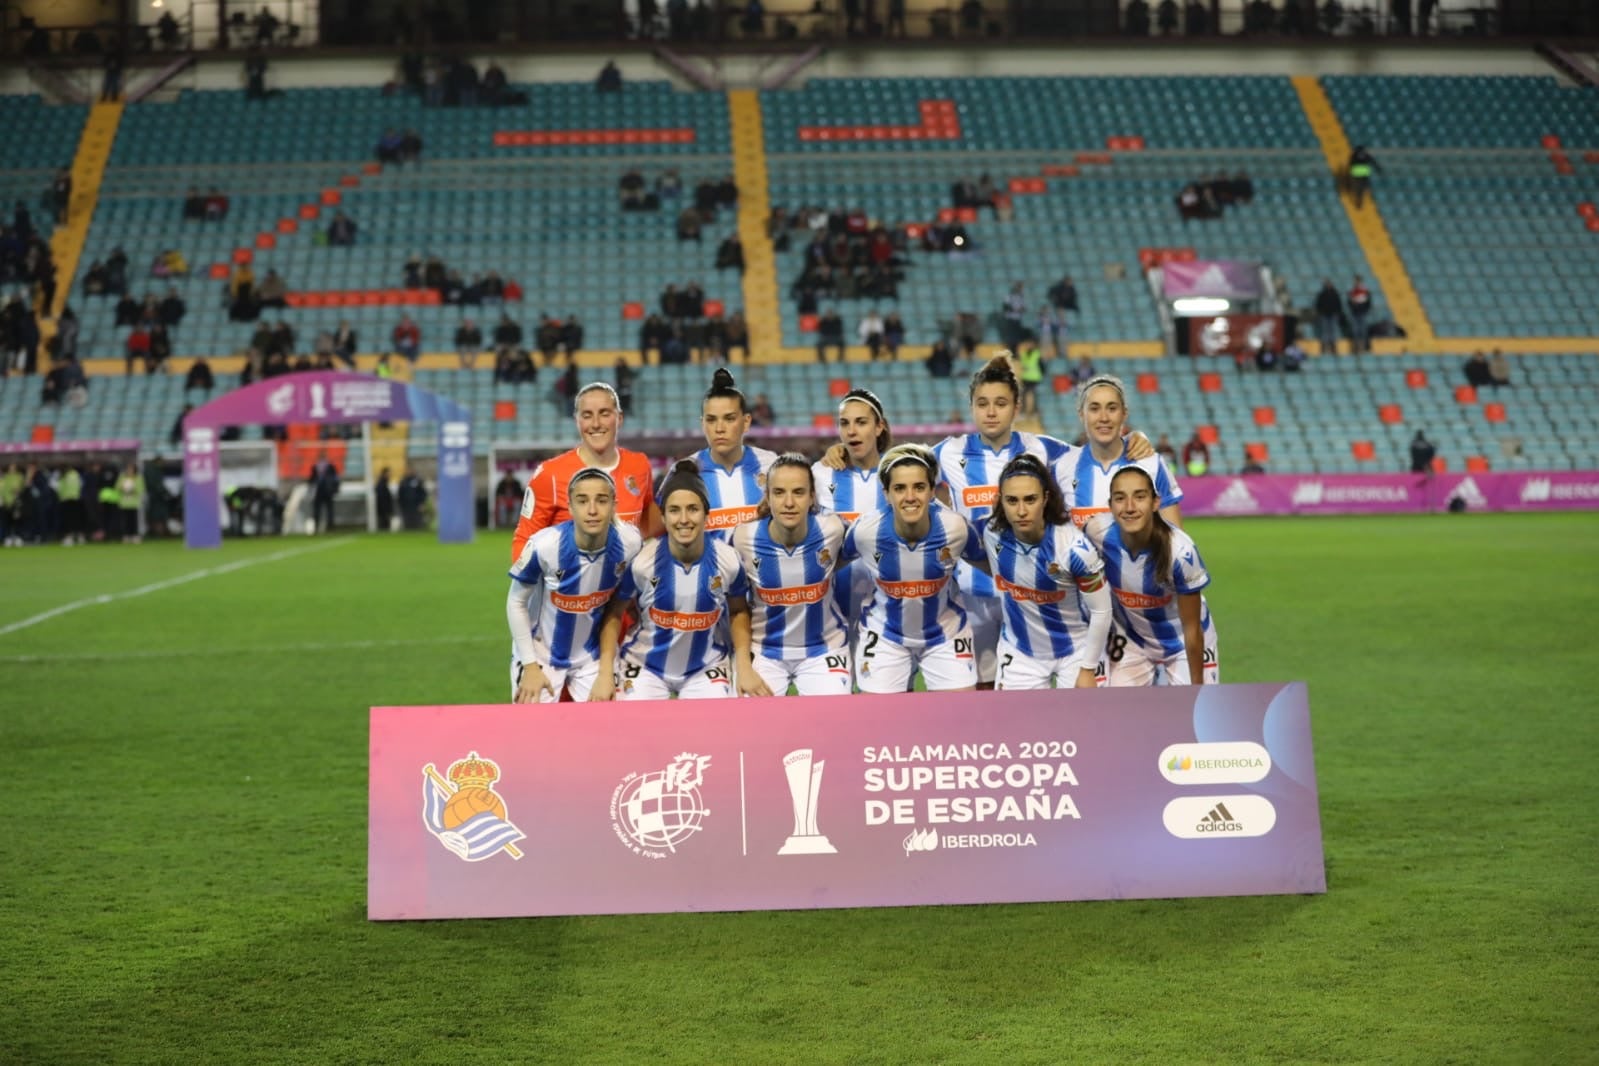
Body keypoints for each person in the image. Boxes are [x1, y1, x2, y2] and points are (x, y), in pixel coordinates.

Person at [595, 461, 755, 701]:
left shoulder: (728, 560)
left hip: (706, 668)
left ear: (706, 512)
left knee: (710, 734)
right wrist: (605, 672)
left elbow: (739, 610)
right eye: (674, 510)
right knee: (639, 734)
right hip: (645, 667)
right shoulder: (642, 562)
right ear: (663, 515)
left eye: (692, 509)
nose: (683, 519)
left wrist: (744, 666)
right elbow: (614, 614)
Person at [839, 444, 986, 694]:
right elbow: (830, 564)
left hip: (946, 634)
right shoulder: (866, 531)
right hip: (885, 636)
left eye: (919, 487)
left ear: (931, 492)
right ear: (886, 494)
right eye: (899, 488)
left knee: (961, 722)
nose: (910, 497)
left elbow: (991, 565)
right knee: (880, 727)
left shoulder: (956, 528)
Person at [508, 468, 644, 702]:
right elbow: (516, 601)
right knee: (531, 733)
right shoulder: (545, 546)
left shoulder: (629, 543)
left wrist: (605, 671)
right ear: (570, 507)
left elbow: (617, 605)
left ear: (614, 505)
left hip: (590, 657)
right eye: (582, 501)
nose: (592, 510)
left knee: (610, 729)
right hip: (540, 655)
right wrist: (529, 666)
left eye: (601, 500)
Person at [983, 454, 1112, 690]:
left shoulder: (1074, 548)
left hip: (1077, 652)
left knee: (1085, 726)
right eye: (1012, 501)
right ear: (1000, 501)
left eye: (1030, 499)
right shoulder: (991, 534)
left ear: (1045, 498)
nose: (1021, 510)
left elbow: (1102, 610)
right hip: (1021, 652)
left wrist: (1087, 669)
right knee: (1018, 727)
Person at [729, 455, 852, 697]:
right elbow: (736, 607)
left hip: (825, 649)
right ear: (768, 497)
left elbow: (854, 551)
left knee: (832, 728)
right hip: (764, 653)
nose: (788, 502)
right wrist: (743, 666)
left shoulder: (833, 529)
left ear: (811, 497)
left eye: (798, 492)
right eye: (778, 493)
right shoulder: (743, 539)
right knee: (752, 730)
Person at [1084, 466, 1217, 686]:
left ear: (1155, 503)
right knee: (1119, 713)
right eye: (1120, 498)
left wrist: (1196, 691)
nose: (1129, 507)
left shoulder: (1180, 552)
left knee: (1189, 713)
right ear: (1110, 506)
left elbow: (1192, 629)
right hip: (1132, 639)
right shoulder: (1097, 531)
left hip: (1183, 642)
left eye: (1140, 497)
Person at [509, 382, 659, 562]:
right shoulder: (550, 474)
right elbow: (524, 540)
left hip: (627, 590)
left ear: (619, 418)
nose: (596, 424)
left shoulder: (639, 464)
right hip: (568, 588)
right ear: (577, 421)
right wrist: (533, 585)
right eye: (587, 415)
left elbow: (647, 520)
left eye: (604, 414)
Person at [1061, 374, 1183, 529]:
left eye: (1112, 408)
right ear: (1081, 415)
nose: (1104, 417)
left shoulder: (1151, 464)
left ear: (1124, 414)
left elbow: (1176, 543)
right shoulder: (1062, 467)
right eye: (1094, 408)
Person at [690, 368, 777, 539]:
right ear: (703, 424)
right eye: (711, 420)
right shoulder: (686, 471)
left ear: (746, 422)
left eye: (729, 419)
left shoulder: (772, 466)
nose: (719, 428)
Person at [1314, 279, 1342, 356]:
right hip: (1324, 315)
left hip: (1333, 315)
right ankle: (1324, 347)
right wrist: (1321, 312)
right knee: (1325, 332)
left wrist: (1338, 313)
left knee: (1333, 331)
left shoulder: (1335, 294)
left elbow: (1339, 305)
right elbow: (1318, 305)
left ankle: (1333, 347)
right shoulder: (1322, 294)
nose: (1328, 285)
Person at [310, 459, 339, 532]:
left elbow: (335, 478)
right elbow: (312, 478)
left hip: (328, 491)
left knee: (329, 510)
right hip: (318, 492)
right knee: (317, 510)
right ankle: (316, 526)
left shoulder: (331, 467)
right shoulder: (315, 467)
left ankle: (330, 526)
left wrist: (335, 489)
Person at [1347, 275, 1372, 354]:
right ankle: (1356, 347)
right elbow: (1349, 302)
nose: (1356, 282)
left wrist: (1365, 309)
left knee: (1363, 330)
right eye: (1355, 281)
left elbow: (1368, 302)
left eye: (1357, 281)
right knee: (1355, 330)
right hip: (1355, 313)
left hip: (1362, 313)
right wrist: (1353, 306)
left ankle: (1364, 346)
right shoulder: (1352, 291)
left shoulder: (1365, 291)